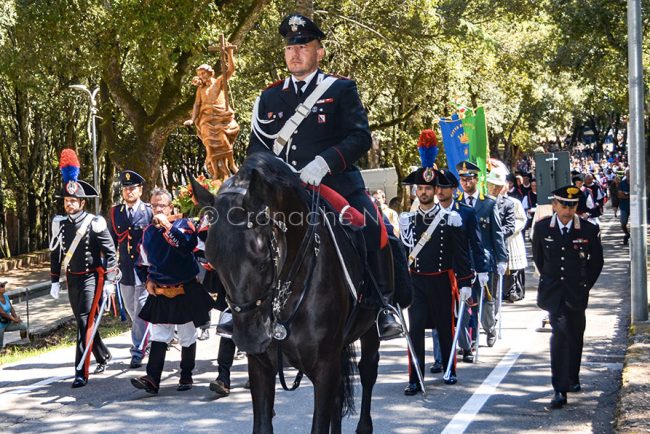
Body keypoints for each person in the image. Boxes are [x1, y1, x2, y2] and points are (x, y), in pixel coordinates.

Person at [247, 13, 401, 339]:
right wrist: (271, 171)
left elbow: (359, 137)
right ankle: (238, 310)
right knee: (236, 226)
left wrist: (324, 163)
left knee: (374, 225)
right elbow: (256, 151)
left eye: (304, 45)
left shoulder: (341, 89)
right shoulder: (269, 97)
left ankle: (384, 304)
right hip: (284, 190)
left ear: (320, 51)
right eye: (290, 47)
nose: (295, 52)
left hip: (336, 184)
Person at [131, 189, 214, 394]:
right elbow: (141, 261)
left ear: (170, 207)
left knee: (187, 334)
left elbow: (187, 247)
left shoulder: (183, 225)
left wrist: (167, 226)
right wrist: (147, 280)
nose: (157, 209)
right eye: (153, 205)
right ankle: (152, 378)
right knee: (159, 334)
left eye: (161, 205)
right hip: (160, 290)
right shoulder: (148, 232)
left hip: (184, 288)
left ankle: (186, 376)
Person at [399, 167, 474, 393]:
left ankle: (449, 369)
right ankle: (415, 377)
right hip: (417, 282)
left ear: (435, 190)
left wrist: (465, 283)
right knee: (416, 330)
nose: (423, 192)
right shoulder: (407, 220)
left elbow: (460, 254)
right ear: (415, 191)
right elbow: (403, 256)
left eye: (428, 188)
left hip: (441, 280)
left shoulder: (450, 219)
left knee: (445, 328)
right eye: (420, 188)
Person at [50, 149, 117, 388]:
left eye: (73, 201)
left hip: (92, 277)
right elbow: (56, 252)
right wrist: (54, 280)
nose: (69, 205)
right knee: (82, 321)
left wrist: (109, 280)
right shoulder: (59, 224)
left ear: (82, 202)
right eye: (67, 201)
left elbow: (110, 253)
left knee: (84, 320)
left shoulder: (95, 222)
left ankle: (81, 371)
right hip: (72, 278)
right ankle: (104, 355)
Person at [533, 185, 603, 409]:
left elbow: (596, 262)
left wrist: (584, 286)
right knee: (560, 336)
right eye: (564, 204)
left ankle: (572, 376)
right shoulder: (543, 228)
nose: (568, 209)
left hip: (577, 292)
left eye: (572, 205)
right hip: (554, 293)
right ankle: (559, 389)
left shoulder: (588, 230)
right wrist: (552, 281)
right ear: (554, 204)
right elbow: (539, 259)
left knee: (576, 335)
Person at [455, 161, 508, 348]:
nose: (466, 183)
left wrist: (502, 258)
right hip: (463, 261)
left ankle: (490, 327)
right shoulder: (457, 204)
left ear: (476, 180)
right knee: (470, 300)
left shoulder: (488, 203)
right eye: (462, 179)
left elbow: (497, 233)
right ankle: (472, 337)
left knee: (487, 298)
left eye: (469, 179)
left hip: (484, 259)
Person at [109, 170, 153, 369]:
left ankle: (137, 350)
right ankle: (149, 337)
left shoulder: (149, 211)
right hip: (125, 269)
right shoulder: (115, 212)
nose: (128, 192)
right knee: (131, 308)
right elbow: (109, 241)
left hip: (144, 269)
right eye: (125, 189)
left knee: (140, 310)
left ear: (140, 190)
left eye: (132, 188)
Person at [184, 52, 240, 180]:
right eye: (199, 74)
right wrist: (192, 119)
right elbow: (197, 105)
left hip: (221, 118)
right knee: (210, 146)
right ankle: (215, 173)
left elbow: (231, 69)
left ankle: (232, 165)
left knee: (223, 141)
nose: (201, 76)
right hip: (206, 120)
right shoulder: (200, 89)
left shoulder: (219, 82)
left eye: (203, 73)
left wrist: (229, 53)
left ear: (210, 73)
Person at [0, 281, 28, 349]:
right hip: (1, 325)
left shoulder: (6, 296)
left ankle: (24, 343)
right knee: (0, 345)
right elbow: (2, 313)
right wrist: (13, 319)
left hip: (8, 322)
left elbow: (11, 308)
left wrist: (16, 317)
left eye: (4, 286)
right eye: (2, 286)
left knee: (24, 326)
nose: (4, 287)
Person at [617, 168, 630, 245]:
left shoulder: (638, 182)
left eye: (630, 173)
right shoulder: (622, 183)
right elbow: (620, 195)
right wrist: (631, 196)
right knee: (623, 223)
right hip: (624, 207)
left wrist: (626, 195)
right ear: (625, 174)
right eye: (628, 173)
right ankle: (627, 234)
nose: (629, 175)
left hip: (636, 207)